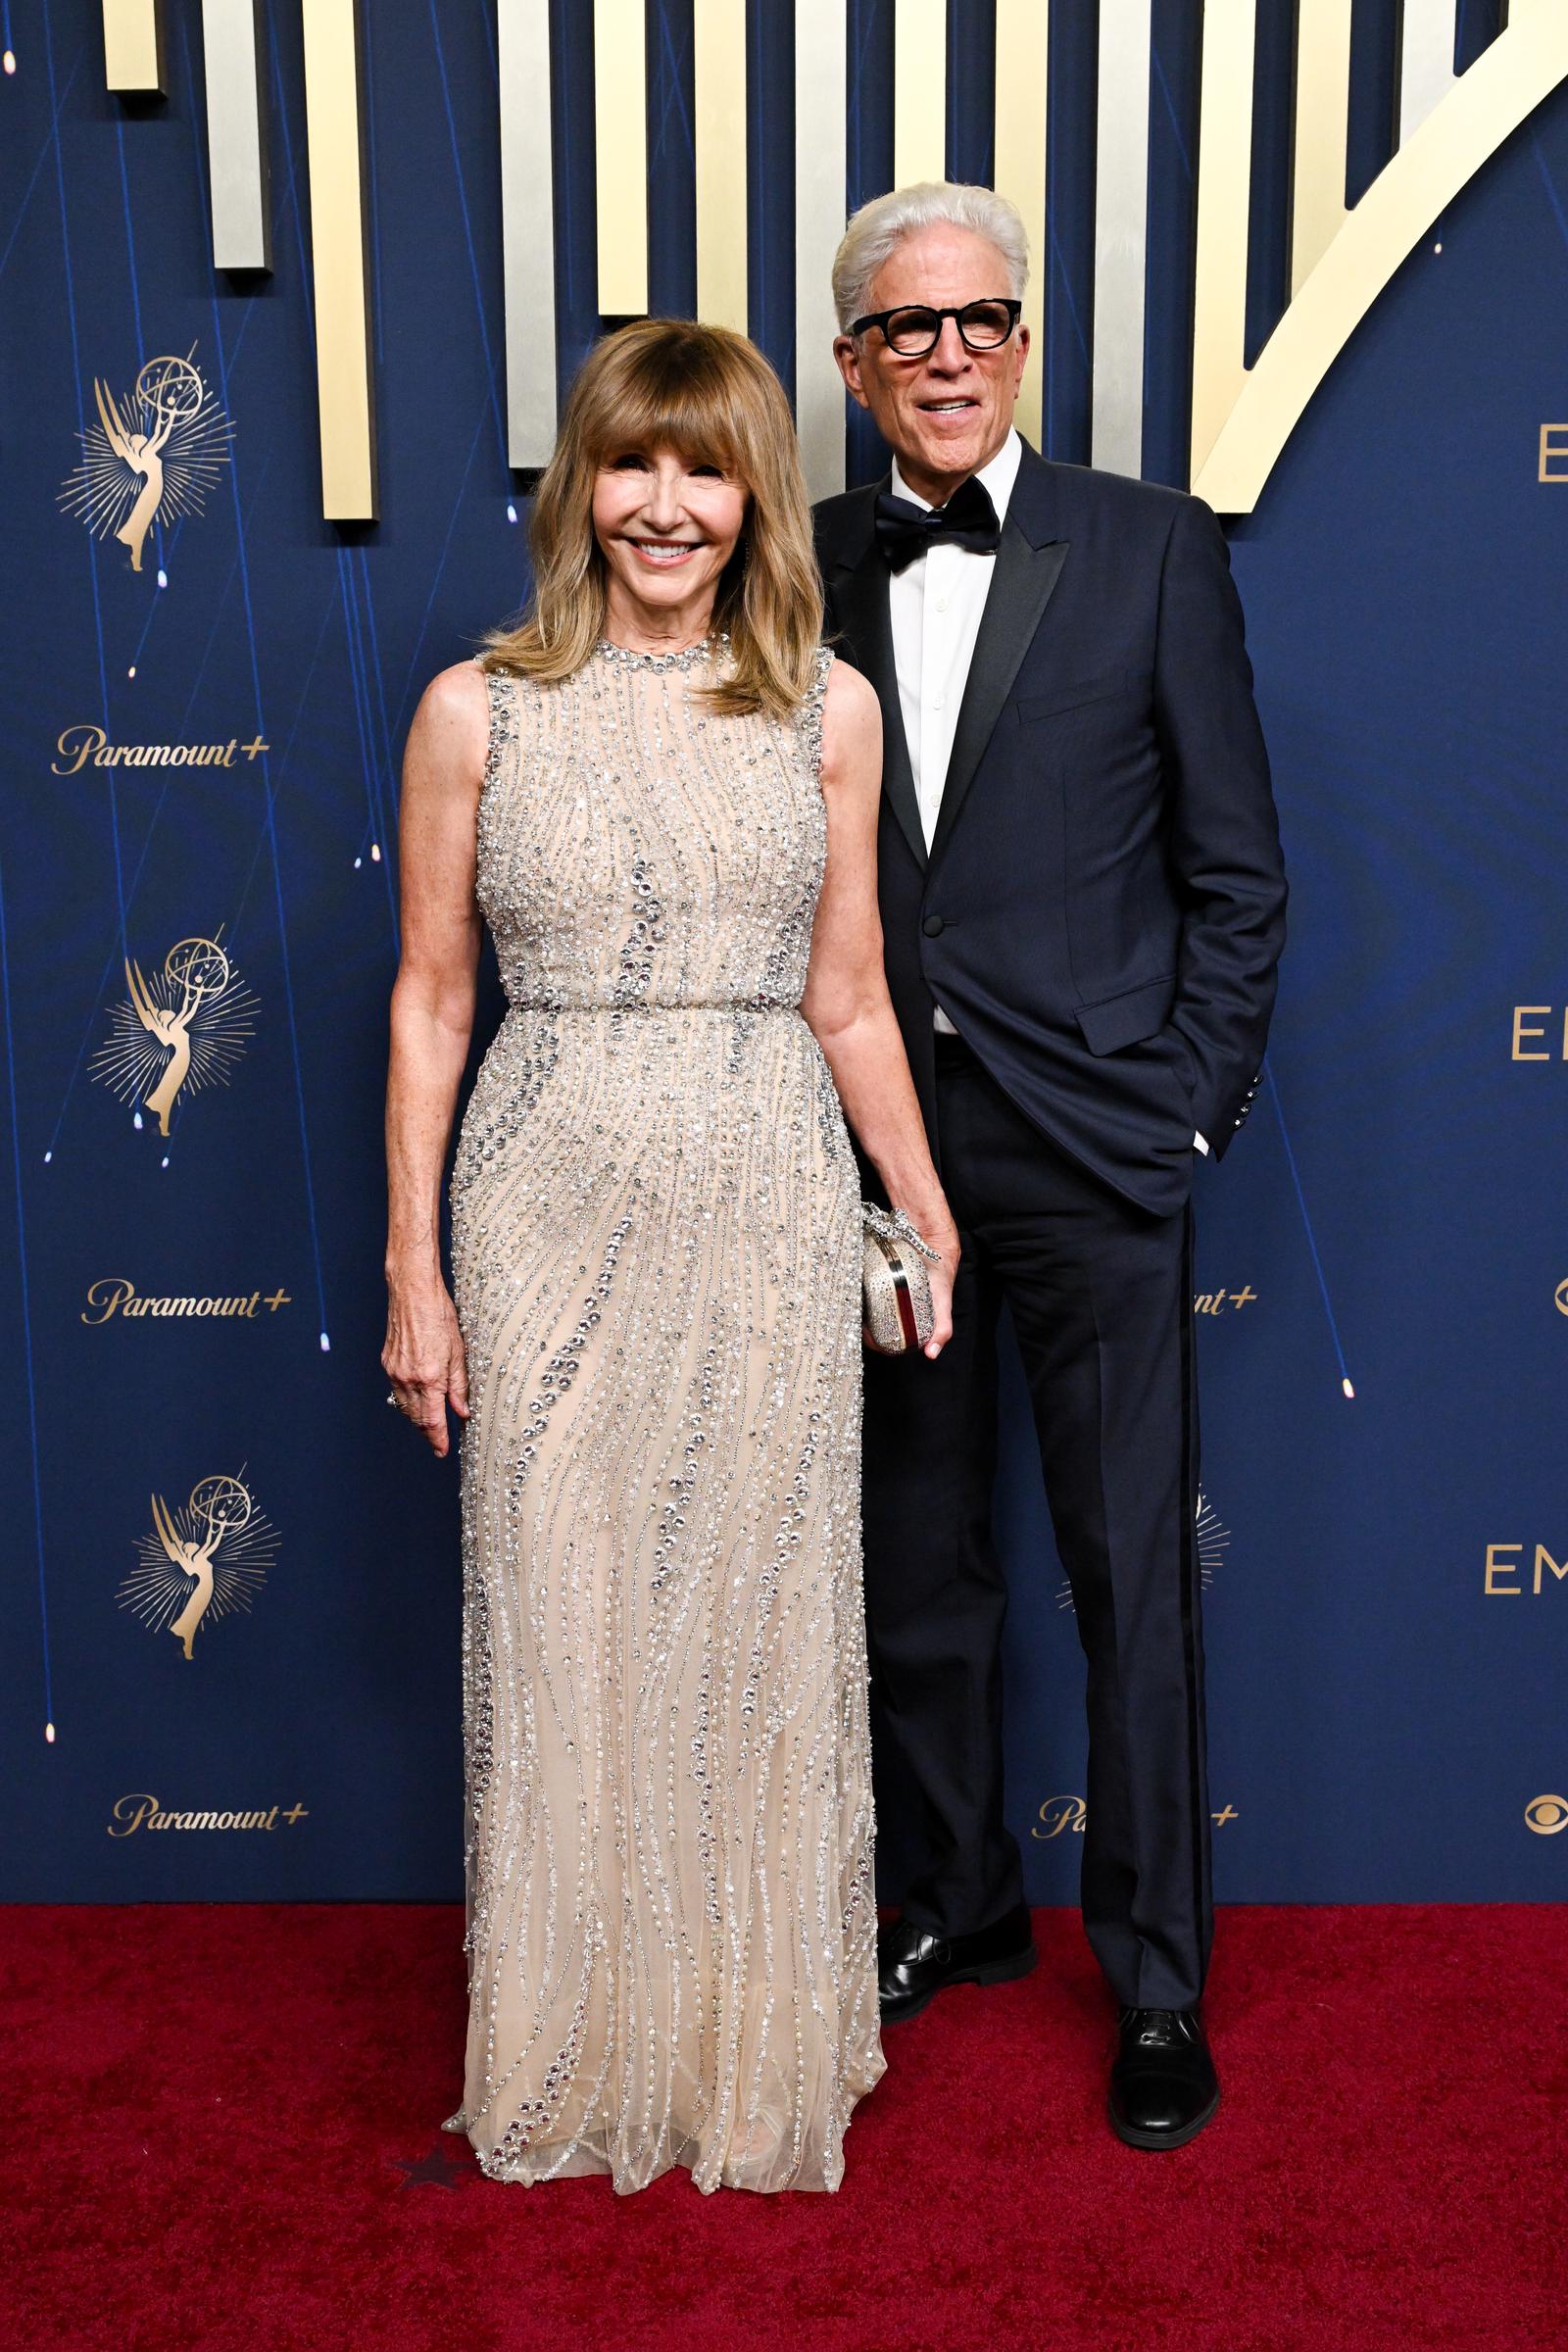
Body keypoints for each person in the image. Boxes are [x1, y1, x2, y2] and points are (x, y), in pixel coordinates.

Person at [381, 318, 957, 2193]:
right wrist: (414, 1269)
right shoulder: (481, 706)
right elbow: (434, 998)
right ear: (580, 485)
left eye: (706, 469)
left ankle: (737, 2040)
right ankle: (575, 2041)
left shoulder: (827, 712)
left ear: (753, 496)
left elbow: (850, 992)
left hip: (762, 1189)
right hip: (543, 1191)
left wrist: (919, 1197)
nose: (665, 506)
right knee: (565, 1619)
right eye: (631, 464)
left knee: (753, 1615)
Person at [813, 182, 1287, 2150]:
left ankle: (1156, 1985)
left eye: (978, 319)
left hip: (1093, 1148)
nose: (945, 353)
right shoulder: (798, 559)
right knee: (913, 1569)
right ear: (848, 366)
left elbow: (1236, 881)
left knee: (1124, 1584)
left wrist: (1176, 1112)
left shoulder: (1152, 550)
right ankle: (955, 1903)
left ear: (1023, 341)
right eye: (903, 329)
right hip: (866, 1155)